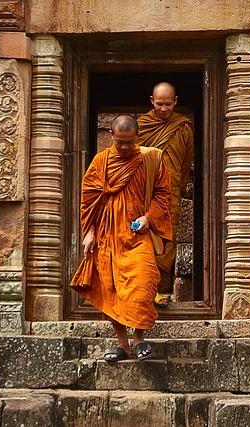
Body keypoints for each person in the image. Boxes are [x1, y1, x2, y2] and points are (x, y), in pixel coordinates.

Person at [70, 115, 172, 362]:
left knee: (143, 284)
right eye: (120, 143)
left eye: (129, 142)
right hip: (108, 237)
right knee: (112, 291)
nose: (125, 147)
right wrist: (89, 233)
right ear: (111, 137)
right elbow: (89, 200)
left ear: (137, 137)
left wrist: (149, 217)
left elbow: (163, 194)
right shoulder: (101, 162)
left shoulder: (152, 159)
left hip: (138, 236)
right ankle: (122, 344)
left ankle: (139, 339)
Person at [137, 82, 194, 308]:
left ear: (176, 101)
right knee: (142, 241)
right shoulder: (141, 126)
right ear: (152, 101)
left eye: (168, 104)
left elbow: (186, 160)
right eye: (159, 104)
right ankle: (141, 291)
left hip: (170, 195)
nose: (163, 109)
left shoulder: (183, 127)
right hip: (143, 195)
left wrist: (176, 188)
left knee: (167, 241)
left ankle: (160, 291)